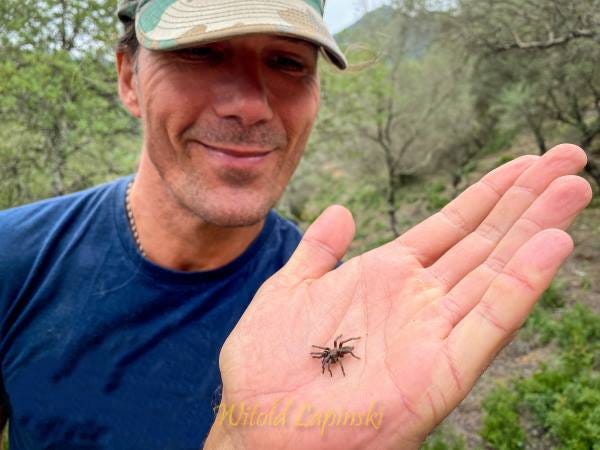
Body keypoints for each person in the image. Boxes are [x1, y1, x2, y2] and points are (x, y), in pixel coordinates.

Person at [0, 1, 592, 449]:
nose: (251, 105)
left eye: (287, 62)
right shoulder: (14, 258)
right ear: (128, 77)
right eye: (200, 53)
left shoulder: (345, 311)